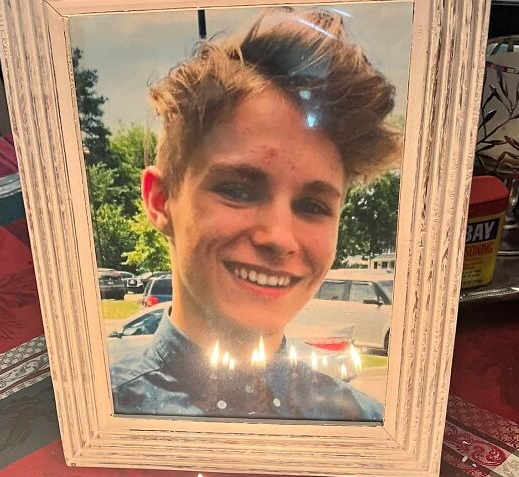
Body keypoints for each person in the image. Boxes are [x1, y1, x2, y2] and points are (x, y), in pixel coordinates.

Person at [110, 7, 401, 421]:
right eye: (238, 190)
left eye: (312, 206)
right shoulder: (96, 414)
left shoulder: (368, 427)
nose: (279, 237)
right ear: (161, 201)